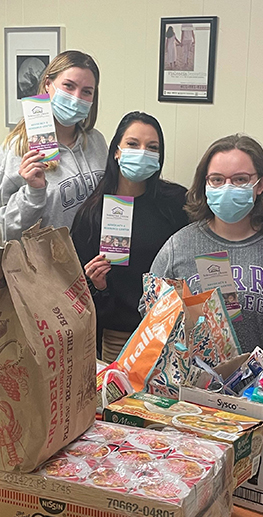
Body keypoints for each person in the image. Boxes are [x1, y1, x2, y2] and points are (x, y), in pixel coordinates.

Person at [148, 134, 263, 355]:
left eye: (240, 180)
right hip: (194, 383)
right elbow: (149, 312)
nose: (227, 187)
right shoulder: (179, 246)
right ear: (205, 184)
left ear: (260, 184)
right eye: (217, 179)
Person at [71, 111, 188, 362]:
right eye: (133, 144)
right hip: (117, 338)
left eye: (152, 147)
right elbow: (77, 295)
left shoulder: (177, 204)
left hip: (170, 335)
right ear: (116, 150)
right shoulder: (91, 214)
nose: (142, 152)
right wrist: (97, 285)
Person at [0, 50, 107, 243]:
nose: (76, 98)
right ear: (48, 84)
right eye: (68, 86)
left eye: (86, 91)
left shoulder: (96, 142)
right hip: (43, 269)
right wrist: (32, 193)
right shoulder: (17, 149)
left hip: (92, 267)